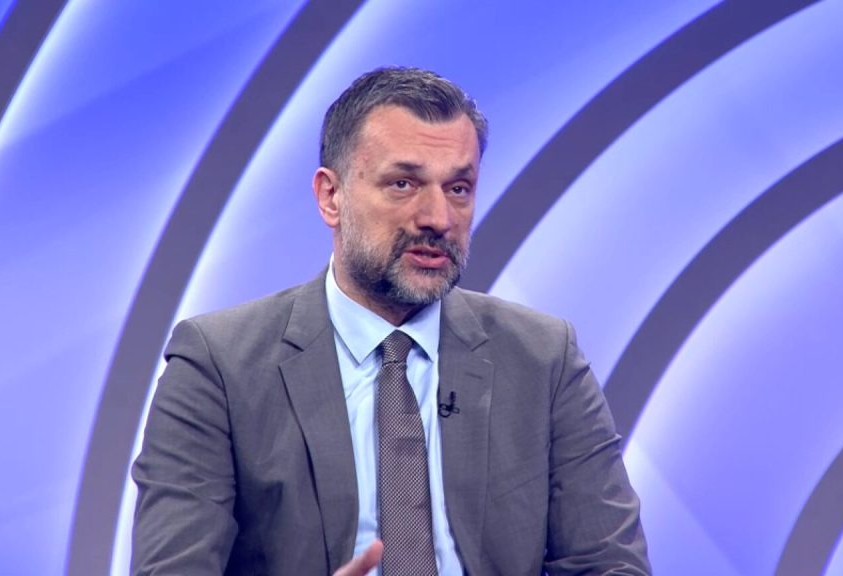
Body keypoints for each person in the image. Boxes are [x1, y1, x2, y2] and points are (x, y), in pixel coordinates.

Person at [131, 66, 650, 575]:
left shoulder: (544, 358)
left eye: (459, 188)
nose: (438, 218)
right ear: (331, 197)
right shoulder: (218, 366)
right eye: (403, 183)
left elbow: (611, 565)